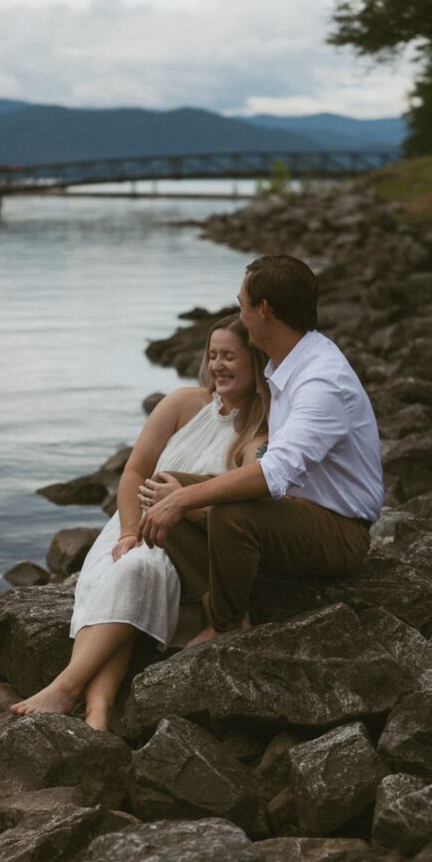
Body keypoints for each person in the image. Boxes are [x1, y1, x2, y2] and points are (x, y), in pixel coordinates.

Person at [10, 314, 268, 729]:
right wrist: (129, 531)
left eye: (230, 357)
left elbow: (246, 491)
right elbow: (133, 473)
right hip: (133, 527)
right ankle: (97, 712)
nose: (218, 365)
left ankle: (67, 688)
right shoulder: (183, 402)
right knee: (132, 566)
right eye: (213, 354)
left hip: (187, 546)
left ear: (256, 363)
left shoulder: (257, 430)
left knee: (137, 571)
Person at [138, 254, 384, 646]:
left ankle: (227, 626)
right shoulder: (289, 363)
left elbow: (273, 474)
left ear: (264, 310)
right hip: (296, 512)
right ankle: (216, 599)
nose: (240, 313)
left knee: (228, 511)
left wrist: (185, 500)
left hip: (340, 530)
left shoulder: (321, 381)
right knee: (163, 487)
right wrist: (179, 495)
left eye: (242, 305)